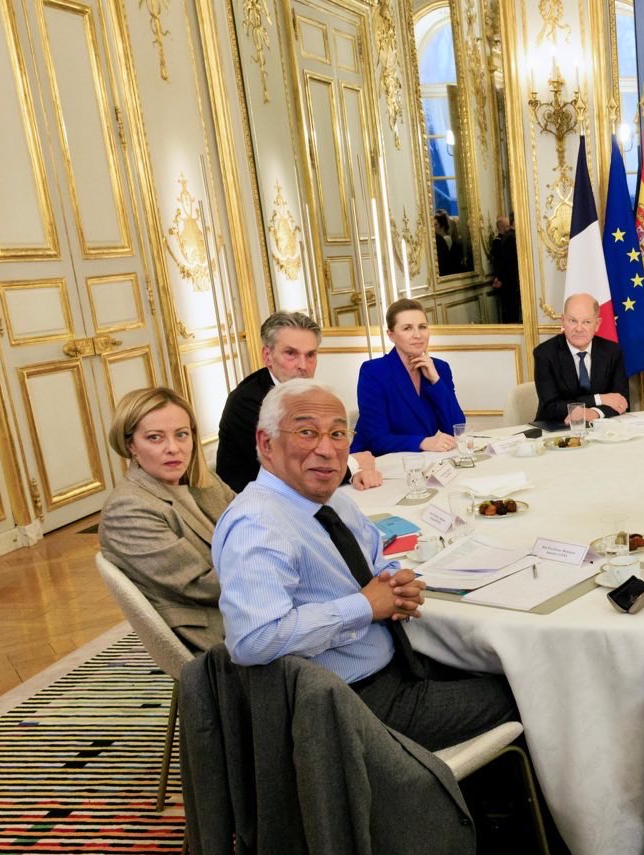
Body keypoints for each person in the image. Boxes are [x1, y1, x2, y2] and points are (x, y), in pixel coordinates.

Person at [212, 380, 516, 751]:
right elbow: (253, 640)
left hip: (399, 661)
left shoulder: (333, 503)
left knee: (511, 670)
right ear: (266, 443)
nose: (326, 450)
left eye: (338, 434)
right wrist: (365, 606)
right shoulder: (259, 523)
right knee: (527, 694)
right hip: (349, 703)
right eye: (307, 432)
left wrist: (398, 584)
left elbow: (377, 562)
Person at [99, 386, 235, 652]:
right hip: (215, 635)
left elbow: (257, 528)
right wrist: (278, 571)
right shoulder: (128, 510)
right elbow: (200, 586)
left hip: (247, 608)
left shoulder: (205, 483)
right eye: (155, 438)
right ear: (131, 445)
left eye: (182, 435)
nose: (174, 448)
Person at [214, 310, 382, 492]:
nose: (303, 366)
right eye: (291, 354)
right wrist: (351, 464)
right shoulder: (246, 402)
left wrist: (350, 472)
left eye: (310, 355)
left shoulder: (306, 393)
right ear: (267, 356)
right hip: (257, 507)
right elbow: (288, 471)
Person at [351, 298, 466, 456]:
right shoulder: (373, 372)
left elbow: (456, 428)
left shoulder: (440, 368)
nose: (417, 335)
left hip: (421, 460)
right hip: (375, 463)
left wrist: (435, 381)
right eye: (407, 328)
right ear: (391, 335)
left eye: (422, 327)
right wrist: (423, 442)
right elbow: (376, 439)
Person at [532, 292, 630, 423]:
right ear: (563, 321)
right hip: (557, 429)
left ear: (597, 324)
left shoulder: (612, 351)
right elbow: (551, 408)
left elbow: (621, 401)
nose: (579, 328)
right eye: (573, 321)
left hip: (602, 428)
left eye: (586, 322)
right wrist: (599, 399)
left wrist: (594, 413)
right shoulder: (545, 354)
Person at [488, 216, 521, 322]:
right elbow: (507, 262)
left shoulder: (507, 237)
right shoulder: (511, 237)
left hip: (506, 281)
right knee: (512, 314)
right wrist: (500, 278)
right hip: (510, 283)